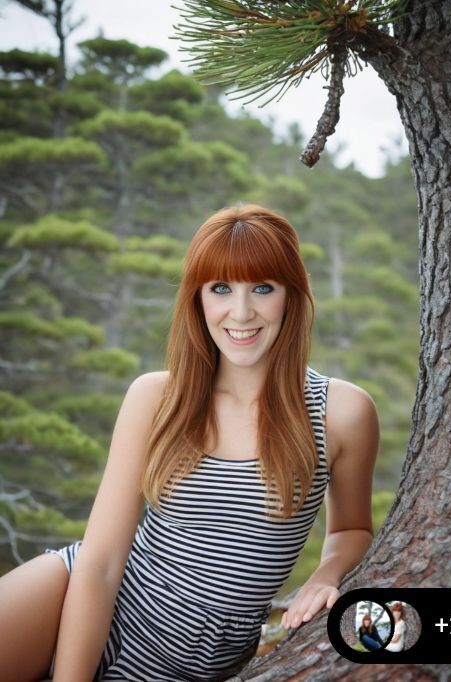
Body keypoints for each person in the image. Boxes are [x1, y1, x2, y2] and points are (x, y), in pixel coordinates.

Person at [0, 203, 380, 682]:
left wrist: (326, 575)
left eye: (262, 288)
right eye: (221, 288)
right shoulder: (156, 397)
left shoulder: (340, 413)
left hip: (198, 658)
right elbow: (100, 564)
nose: (241, 312)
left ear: (292, 294)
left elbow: (351, 530)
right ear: (197, 298)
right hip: (83, 603)